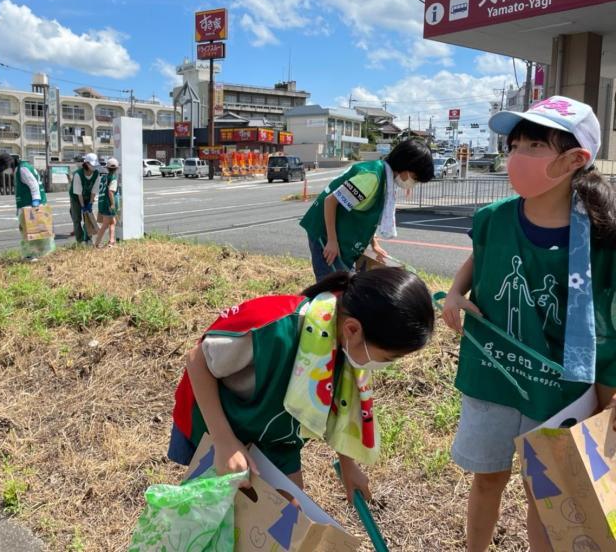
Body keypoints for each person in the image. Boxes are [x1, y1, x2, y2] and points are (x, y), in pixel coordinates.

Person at [441, 96, 616, 552]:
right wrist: (457, 292)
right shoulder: (495, 218)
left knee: (546, 495)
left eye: (534, 145)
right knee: (487, 480)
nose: (516, 156)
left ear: (575, 159)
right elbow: (481, 257)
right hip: (493, 376)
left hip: (558, 391)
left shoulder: (601, 237)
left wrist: (607, 391)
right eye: (514, 143)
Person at [169, 267, 435, 498]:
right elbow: (197, 360)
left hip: (276, 436)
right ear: (353, 330)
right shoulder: (275, 328)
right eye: (389, 357)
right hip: (215, 423)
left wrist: (348, 464)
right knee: (214, 516)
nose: (388, 366)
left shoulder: (346, 343)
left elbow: (341, 405)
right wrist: (224, 442)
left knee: (287, 519)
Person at [299, 139, 434, 281]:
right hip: (324, 234)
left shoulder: (384, 179)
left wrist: (373, 243)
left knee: (344, 283)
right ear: (405, 166)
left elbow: (370, 217)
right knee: (330, 285)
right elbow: (330, 201)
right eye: (415, 178)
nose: (414, 183)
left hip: (340, 234)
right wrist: (332, 241)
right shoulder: (372, 178)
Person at [0, 153, 55, 260]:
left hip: (31, 206)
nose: (5, 172)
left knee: (30, 232)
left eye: (4, 169)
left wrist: (35, 200)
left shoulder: (22, 169)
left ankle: (32, 255)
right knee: (37, 231)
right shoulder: (21, 168)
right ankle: (41, 254)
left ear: (9, 164)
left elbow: (33, 184)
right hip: (29, 206)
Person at [69, 153, 100, 244]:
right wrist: (82, 206)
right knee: (77, 219)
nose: (94, 167)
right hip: (76, 197)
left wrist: (90, 203)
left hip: (88, 197)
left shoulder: (96, 174)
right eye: (92, 165)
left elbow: (94, 190)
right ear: (86, 163)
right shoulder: (78, 174)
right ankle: (80, 240)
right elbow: (79, 193)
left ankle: (88, 238)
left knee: (88, 217)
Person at [94, 157, 119, 249]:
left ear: (107, 168)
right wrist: (112, 204)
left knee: (113, 222)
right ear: (117, 168)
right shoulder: (113, 178)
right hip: (108, 204)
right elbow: (111, 192)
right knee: (105, 225)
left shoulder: (104, 177)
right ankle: (97, 243)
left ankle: (112, 241)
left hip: (102, 202)